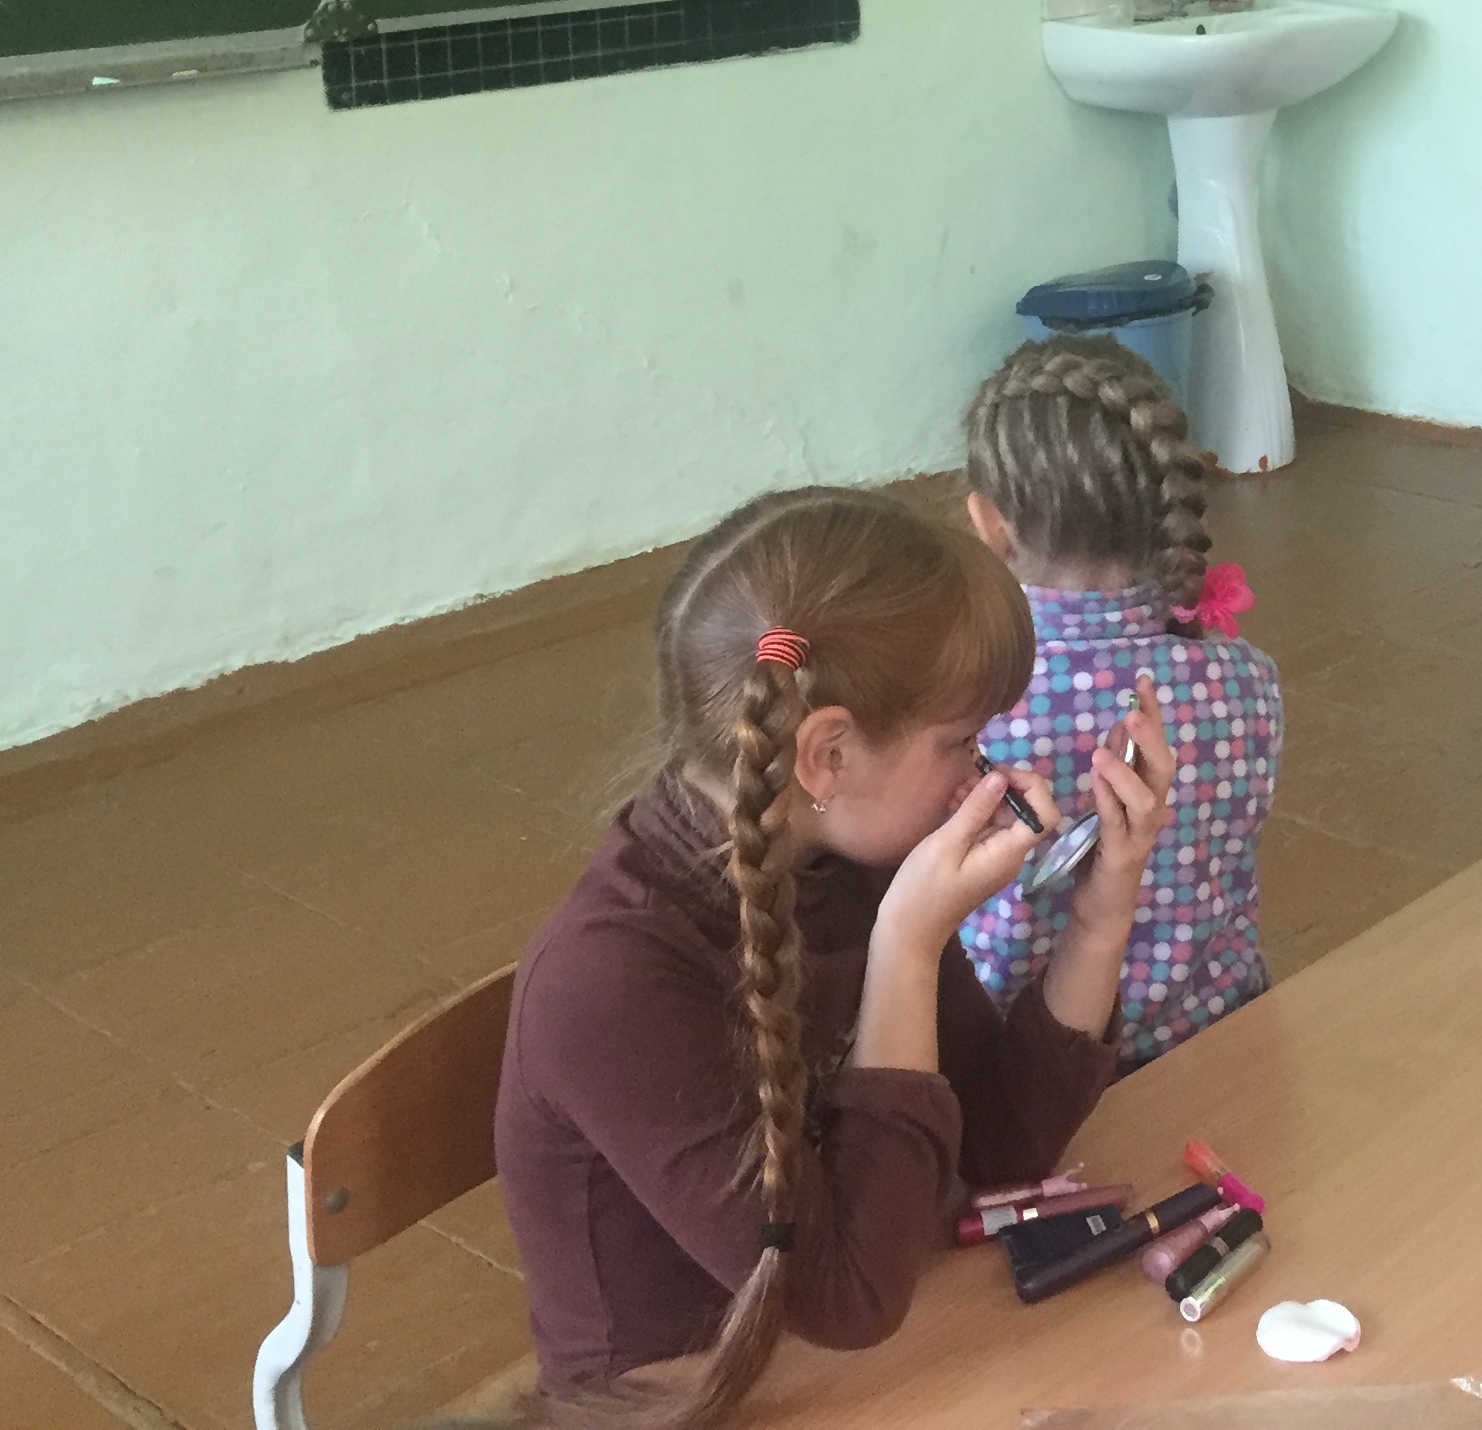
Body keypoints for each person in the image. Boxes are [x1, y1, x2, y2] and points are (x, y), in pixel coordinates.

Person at [496, 488, 1169, 1423]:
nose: (982, 773)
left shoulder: (840, 855)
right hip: (682, 1404)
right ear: (827, 757)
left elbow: (1000, 1146)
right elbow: (847, 1297)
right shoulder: (609, 982)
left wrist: (1099, 915)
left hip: (853, 1352)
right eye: (961, 741)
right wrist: (907, 950)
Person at [957, 335, 1281, 1064]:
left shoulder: (964, 708)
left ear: (991, 526)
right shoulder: (1248, 679)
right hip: (1218, 1034)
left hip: (1026, 1073)